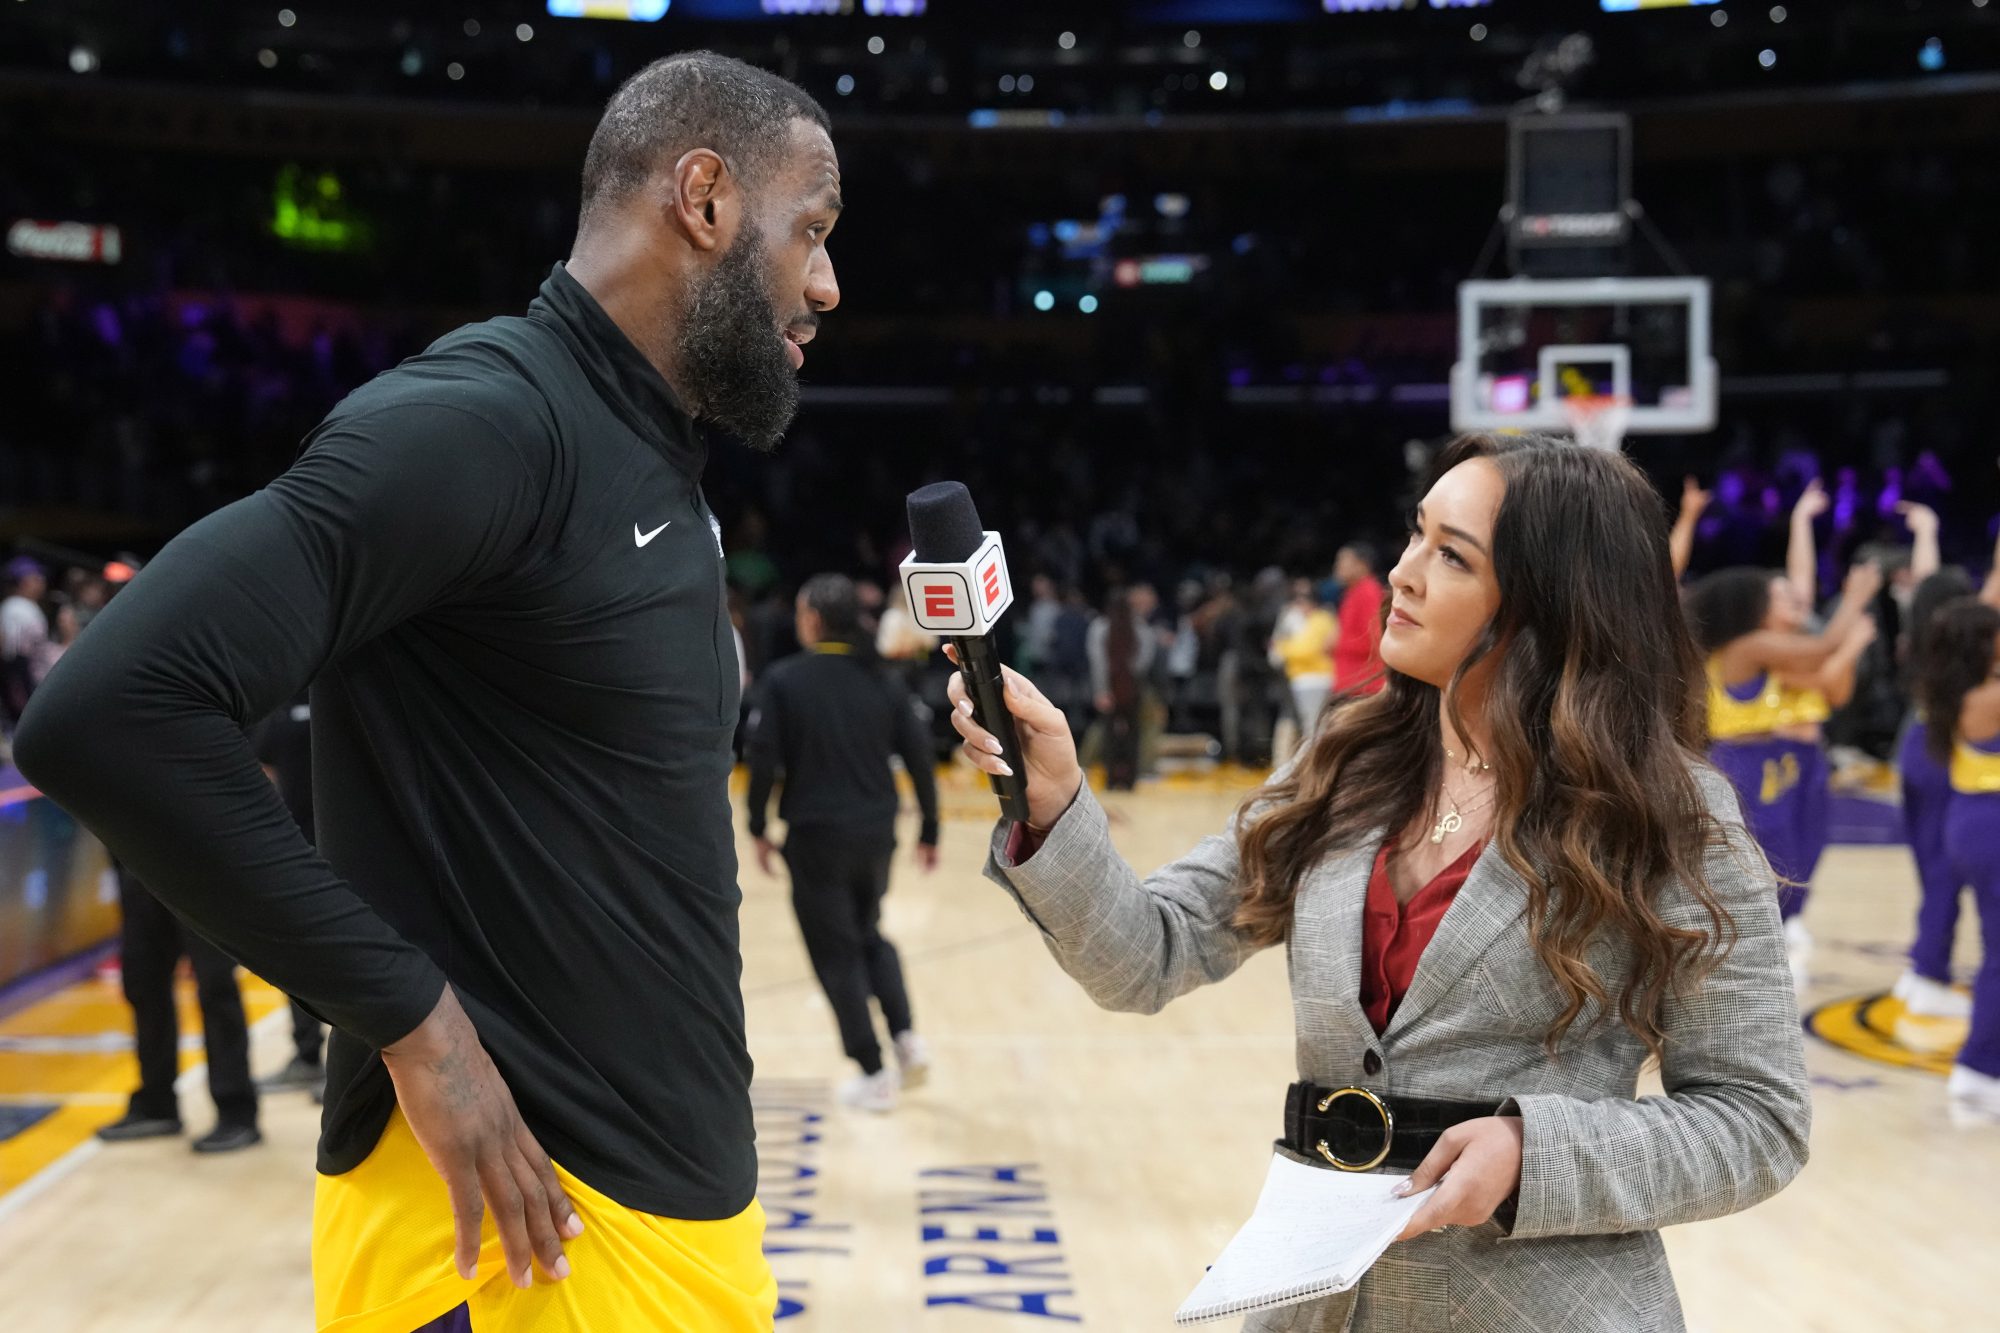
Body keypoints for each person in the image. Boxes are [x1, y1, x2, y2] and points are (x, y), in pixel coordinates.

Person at [16, 51, 841, 1332]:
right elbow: (108, 710)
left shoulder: (651, 460)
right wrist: (410, 1017)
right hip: (511, 1252)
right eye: (814, 231)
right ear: (706, 200)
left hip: (660, 1235)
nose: (825, 284)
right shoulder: (485, 421)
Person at [946, 434, 1809, 1333]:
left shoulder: (1668, 817)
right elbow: (1145, 956)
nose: (1403, 573)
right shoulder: (1347, 764)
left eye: (1451, 555)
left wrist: (1534, 1150)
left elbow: (1760, 1118)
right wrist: (1057, 804)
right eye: (1415, 535)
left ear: (1548, 606)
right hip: (1316, 1306)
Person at [745, 574, 940, 1113]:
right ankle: (906, 1038)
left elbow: (764, 760)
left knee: (836, 955)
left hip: (815, 836)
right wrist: (929, 830)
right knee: (869, 934)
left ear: (812, 620)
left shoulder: (785, 681)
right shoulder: (883, 679)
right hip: (877, 832)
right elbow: (920, 757)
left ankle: (874, 1071)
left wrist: (757, 826)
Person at [1683, 481, 1881, 986]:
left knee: (1805, 850)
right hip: (1744, 759)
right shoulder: (1750, 647)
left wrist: (1800, 522)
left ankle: (1786, 928)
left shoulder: (1788, 642)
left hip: (1800, 758)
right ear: (1755, 607)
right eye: (1781, 596)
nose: (1794, 599)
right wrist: (1855, 602)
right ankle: (1749, 941)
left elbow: (1804, 596)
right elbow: (1823, 650)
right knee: (1761, 854)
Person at [1894, 554, 1995, 1022]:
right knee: (1940, 873)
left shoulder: (1933, 636)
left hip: (1920, 747)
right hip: (1939, 760)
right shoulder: (1969, 642)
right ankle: (1929, 973)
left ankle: (1922, 969)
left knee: (1934, 869)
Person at [1912, 597, 2000, 1121]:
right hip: (1990, 822)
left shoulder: (1959, 691)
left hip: (1976, 821)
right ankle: (1980, 1068)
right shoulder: (1986, 696)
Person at [252, 691, 329, 1100]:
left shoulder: (344, 696)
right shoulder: (279, 705)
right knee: (300, 960)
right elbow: (263, 767)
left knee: (343, 960)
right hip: (297, 850)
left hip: (350, 850)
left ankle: (347, 1068)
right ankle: (309, 1059)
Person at [1269, 576, 1338, 763]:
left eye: (1304, 599)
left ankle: (1312, 764)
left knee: (1313, 725)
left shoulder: (1322, 619)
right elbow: (1277, 652)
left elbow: (1306, 649)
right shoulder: (1292, 618)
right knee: (1308, 724)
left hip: (1316, 678)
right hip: (1298, 678)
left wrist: (1285, 647)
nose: (1300, 604)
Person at [1330, 541, 1385, 696]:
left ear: (1362, 564)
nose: (1338, 566)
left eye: (1343, 560)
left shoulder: (1369, 592)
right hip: (1353, 684)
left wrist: (1337, 643)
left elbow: (1375, 639)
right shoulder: (1353, 592)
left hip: (1365, 685)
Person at [1, 556, 49, 728]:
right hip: (23, 682)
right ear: (22, 581)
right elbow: (13, 655)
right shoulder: (15, 607)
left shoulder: (26, 606)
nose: (41, 582)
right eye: (36, 578)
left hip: (34, 680)